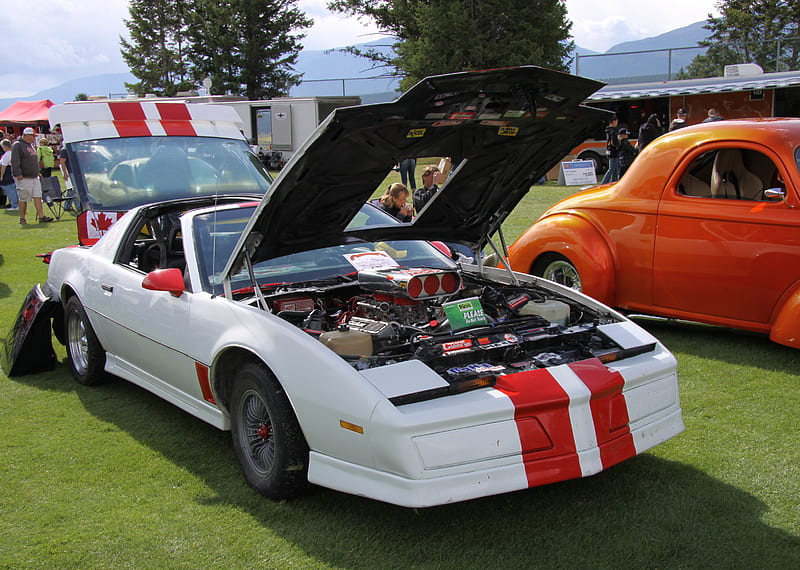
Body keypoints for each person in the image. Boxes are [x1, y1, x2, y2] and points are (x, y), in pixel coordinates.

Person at [11, 127, 52, 224]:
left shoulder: (30, 145)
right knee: (23, 198)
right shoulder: (18, 145)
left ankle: (41, 216)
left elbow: (33, 160)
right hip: (24, 177)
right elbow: (15, 160)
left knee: (38, 196)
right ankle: (22, 218)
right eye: (33, 136)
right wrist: (18, 173)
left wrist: (37, 171)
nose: (34, 138)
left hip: (34, 176)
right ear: (27, 135)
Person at [0, 139, 19, 210]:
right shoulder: (13, 153)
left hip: (7, 174)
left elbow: (3, 166)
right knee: (12, 189)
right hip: (12, 173)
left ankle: (14, 205)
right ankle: (14, 204)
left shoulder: (7, 154)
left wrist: (1, 175)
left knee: (10, 189)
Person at [601, 115, 620, 183]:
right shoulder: (613, 131)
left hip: (609, 150)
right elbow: (614, 141)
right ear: (614, 121)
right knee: (612, 168)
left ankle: (614, 182)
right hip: (613, 151)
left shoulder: (608, 130)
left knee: (615, 168)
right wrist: (617, 145)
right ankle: (603, 183)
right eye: (616, 121)